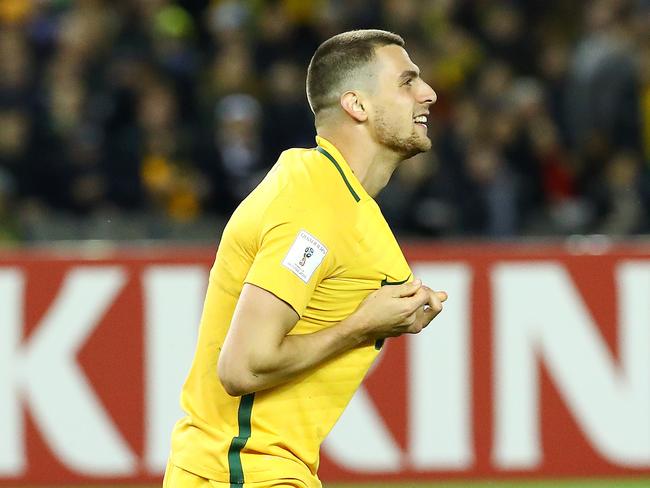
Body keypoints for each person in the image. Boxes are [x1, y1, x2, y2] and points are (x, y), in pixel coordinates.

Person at [164, 29, 447, 488]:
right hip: (241, 471)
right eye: (406, 81)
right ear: (357, 105)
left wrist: (397, 314)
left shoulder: (339, 199)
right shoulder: (314, 207)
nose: (428, 93)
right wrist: (362, 324)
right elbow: (243, 366)